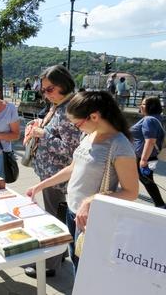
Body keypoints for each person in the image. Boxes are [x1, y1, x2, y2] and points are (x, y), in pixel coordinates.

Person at [26, 90, 139, 273]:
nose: (77, 128)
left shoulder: (119, 145)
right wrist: (41, 185)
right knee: (77, 262)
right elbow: (73, 168)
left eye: (77, 124)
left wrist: (90, 200)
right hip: (73, 213)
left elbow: (131, 192)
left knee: (85, 270)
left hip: (91, 218)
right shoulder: (89, 135)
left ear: (94, 116)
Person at [23, 65, 81, 278]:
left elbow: (70, 150)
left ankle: (48, 265)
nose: (45, 94)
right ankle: (60, 253)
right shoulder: (60, 104)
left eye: (50, 89)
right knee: (57, 215)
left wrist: (42, 133)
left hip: (57, 177)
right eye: (43, 90)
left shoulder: (69, 110)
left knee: (52, 218)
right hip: (51, 174)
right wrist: (40, 127)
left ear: (63, 85)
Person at [131, 96, 166, 208]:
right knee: (146, 179)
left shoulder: (149, 120)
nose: (140, 106)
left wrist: (144, 159)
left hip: (145, 157)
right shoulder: (156, 118)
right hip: (149, 155)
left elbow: (150, 141)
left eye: (144, 104)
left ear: (151, 106)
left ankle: (160, 204)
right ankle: (160, 203)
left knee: (147, 180)